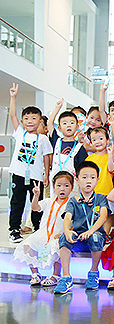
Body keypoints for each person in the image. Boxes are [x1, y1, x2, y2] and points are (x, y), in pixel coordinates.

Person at [54, 161, 109, 294]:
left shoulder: (101, 198)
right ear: (77, 180)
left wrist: (90, 231)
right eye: (84, 177)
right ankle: (66, 277)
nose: (88, 181)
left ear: (97, 180)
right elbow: (67, 217)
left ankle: (93, 273)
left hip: (94, 236)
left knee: (95, 237)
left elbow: (103, 217)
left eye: (92, 177)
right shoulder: (73, 200)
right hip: (78, 237)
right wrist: (67, 231)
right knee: (64, 237)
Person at [8, 83, 53, 242]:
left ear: (40, 121)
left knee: (36, 203)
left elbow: (46, 157)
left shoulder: (43, 139)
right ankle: (14, 230)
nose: (30, 121)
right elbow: (12, 116)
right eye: (26, 118)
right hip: (19, 174)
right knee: (17, 202)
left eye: (34, 118)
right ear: (22, 121)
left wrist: (46, 176)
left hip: (36, 177)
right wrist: (13, 97)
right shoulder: (20, 133)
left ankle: (38, 228)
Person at [14, 171, 73, 287]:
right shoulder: (48, 201)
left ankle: (56, 275)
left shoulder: (71, 203)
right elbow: (35, 208)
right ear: (54, 187)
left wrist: (66, 232)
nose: (62, 189)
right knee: (28, 244)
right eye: (59, 185)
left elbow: (74, 222)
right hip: (44, 233)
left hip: (59, 234)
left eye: (66, 186)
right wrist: (36, 196)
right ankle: (35, 274)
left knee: (57, 246)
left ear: (72, 188)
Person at [85, 127, 114, 235]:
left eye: (101, 138)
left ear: (107, 140)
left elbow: (111, 169)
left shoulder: (112, 156)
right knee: (94, 215)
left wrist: (110, 154)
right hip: (93, 193)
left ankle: (106, 235)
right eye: (94, 140)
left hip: (107, 191)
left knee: (107, 214)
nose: (97, 142)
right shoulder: (89, 159)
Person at [46, 105, 88, 179]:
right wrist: (57, 108)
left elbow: (83, 168)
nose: (68, 125)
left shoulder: (79, 147)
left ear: (77, 127)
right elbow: (49, 123)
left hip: (72, 182)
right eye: (64, 123)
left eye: (72, 123)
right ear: (59, 128)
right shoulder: (56, 141)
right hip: (55, 181)